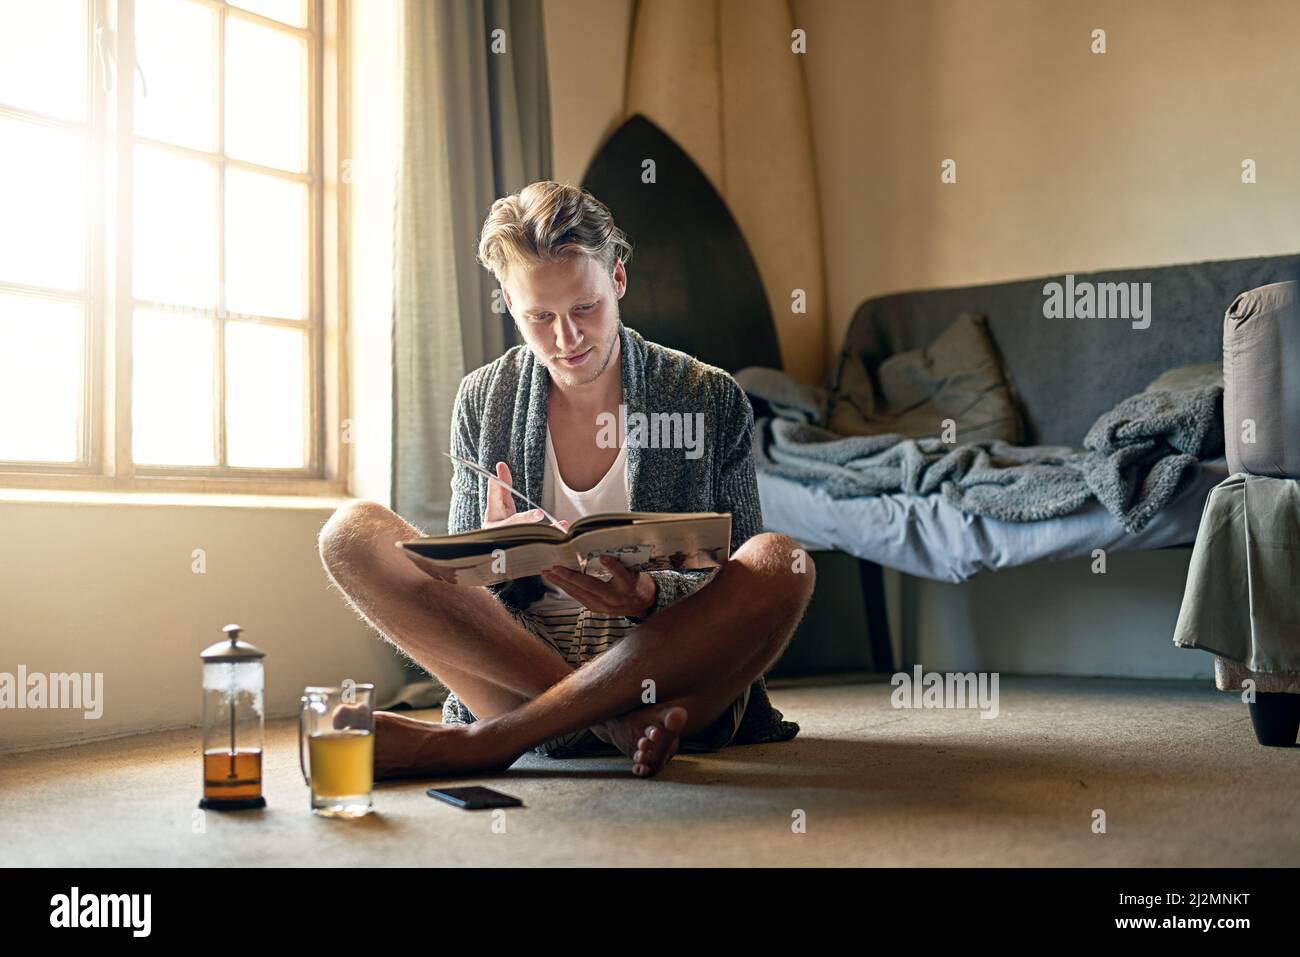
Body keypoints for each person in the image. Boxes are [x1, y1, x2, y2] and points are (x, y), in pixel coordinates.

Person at [318, 182, 816, 779]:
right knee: (351, 532)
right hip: (522, 670)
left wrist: (649, 597)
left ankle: (486, 744)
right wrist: (494, 553)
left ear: (619, 281)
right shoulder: (483, 399)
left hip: (669, 677)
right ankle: (612, 726)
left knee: (782, 561)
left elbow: (733, 575)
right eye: (539, 317)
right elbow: (463, 601)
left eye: (585, 308)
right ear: (507, 301)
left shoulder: (707, 396)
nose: (567, 339)